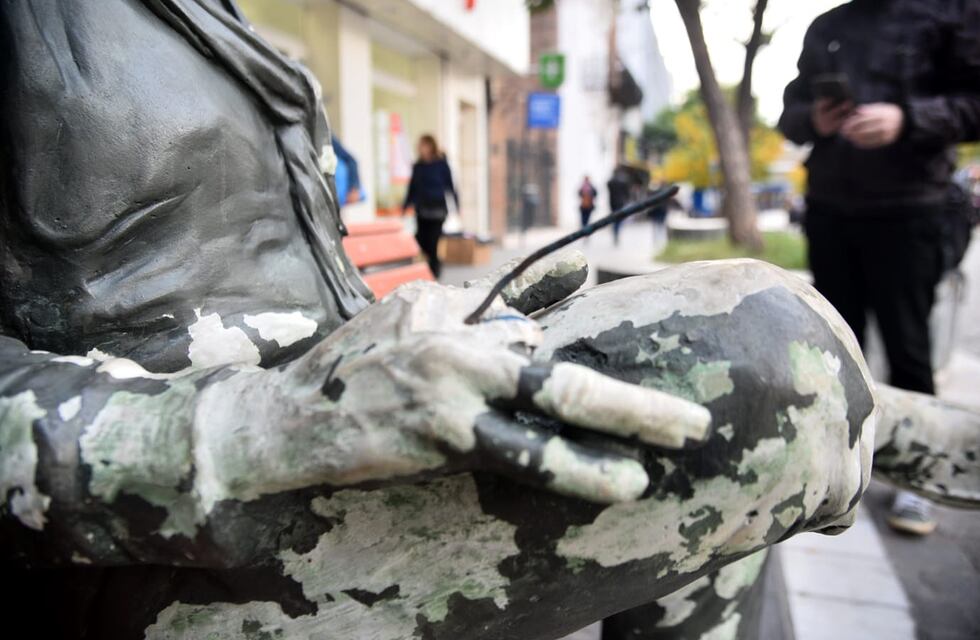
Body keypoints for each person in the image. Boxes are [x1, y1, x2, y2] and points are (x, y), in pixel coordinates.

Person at [1, 3, 977, 640]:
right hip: (158, 540)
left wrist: (434, 325)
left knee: (661, 379)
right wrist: (246, 427)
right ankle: (900, 427)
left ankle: (897, 424)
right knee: (767, 367)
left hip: (339, 441)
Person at [779, 0, 980, 536]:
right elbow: (790, 113)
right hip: (831, 209)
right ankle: (833, 474)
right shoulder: (828, 26)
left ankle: (920, 484)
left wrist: (908, 119)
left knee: (908, 350)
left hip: (910, 211)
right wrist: (814, 119)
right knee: (834, 352)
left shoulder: (950, 15)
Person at [403, 134, 458, 278]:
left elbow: (451, 186)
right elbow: (412, 187)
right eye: (420, 145)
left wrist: (457, 206)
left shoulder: (441, 164)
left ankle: (434, 273)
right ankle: (431, 268)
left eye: (424, 145)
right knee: (421, 240)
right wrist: (406, 205)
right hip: (421, 210)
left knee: (433, 243)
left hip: (438, 210)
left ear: (431, 146)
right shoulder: (418, 166)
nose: (422, 148)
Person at [607, 168, 631, 245]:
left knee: (615, 218)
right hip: (620, 203)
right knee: (619, 219)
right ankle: (616, 232)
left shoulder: (611, 182)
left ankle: (615, 231)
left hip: (612, 203)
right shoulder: (622, 182)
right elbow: (627, 192)